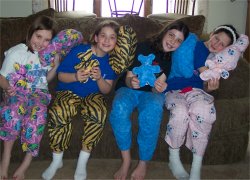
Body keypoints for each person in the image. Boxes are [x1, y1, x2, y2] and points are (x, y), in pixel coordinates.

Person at [109, 21, 190, 180]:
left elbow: (156, 88)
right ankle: (126, 161)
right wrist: (131, 82)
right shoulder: (143, 46)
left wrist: (159, 88)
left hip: (150, 94)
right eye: (171, 35)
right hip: (128, 88)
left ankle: (143, 162)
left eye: (178, 40)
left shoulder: (171, 59)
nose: (173, 41)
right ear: (164, 32)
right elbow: (128, 77)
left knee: (153, 110)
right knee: (119, 107)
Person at [42, 20, 120, 180]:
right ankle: (57, 160)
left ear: (116, 42)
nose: (107, 40)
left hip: (94, 95)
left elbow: (106, 89)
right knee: (59, 112)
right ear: (96, 38)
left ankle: (82, 162)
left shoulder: (112, 62)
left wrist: (99, 78)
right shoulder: (79, 51)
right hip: (68, 90)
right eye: (103, 36)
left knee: (99, 113)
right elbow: (61, 75)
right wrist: (76, 76)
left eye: (112, 37)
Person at [164, 24, 239, 180]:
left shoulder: (217, 61)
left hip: (196, 91)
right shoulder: (194, 44)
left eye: (222, 45)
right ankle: (174, 159)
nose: (216, 44)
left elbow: (205, 85)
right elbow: (195, 62)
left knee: (205, 109)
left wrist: (211, 88)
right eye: (216, 38)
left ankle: (196, 168)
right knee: (179, 113)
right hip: (174, 88)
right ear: (212, 33)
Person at [0, 15, 59, 180]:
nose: (41, 43)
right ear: (31, 33)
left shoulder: (46, 56)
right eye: (38, 36)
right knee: (11, 112)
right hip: (17, 91)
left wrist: (56, 64)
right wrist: (7, 88)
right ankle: (5, 159)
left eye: (47, 40)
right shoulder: (17, 52)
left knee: (38, 116)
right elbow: (2, 77)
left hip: (38, 93)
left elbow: (45, 80)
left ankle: (25, 164)